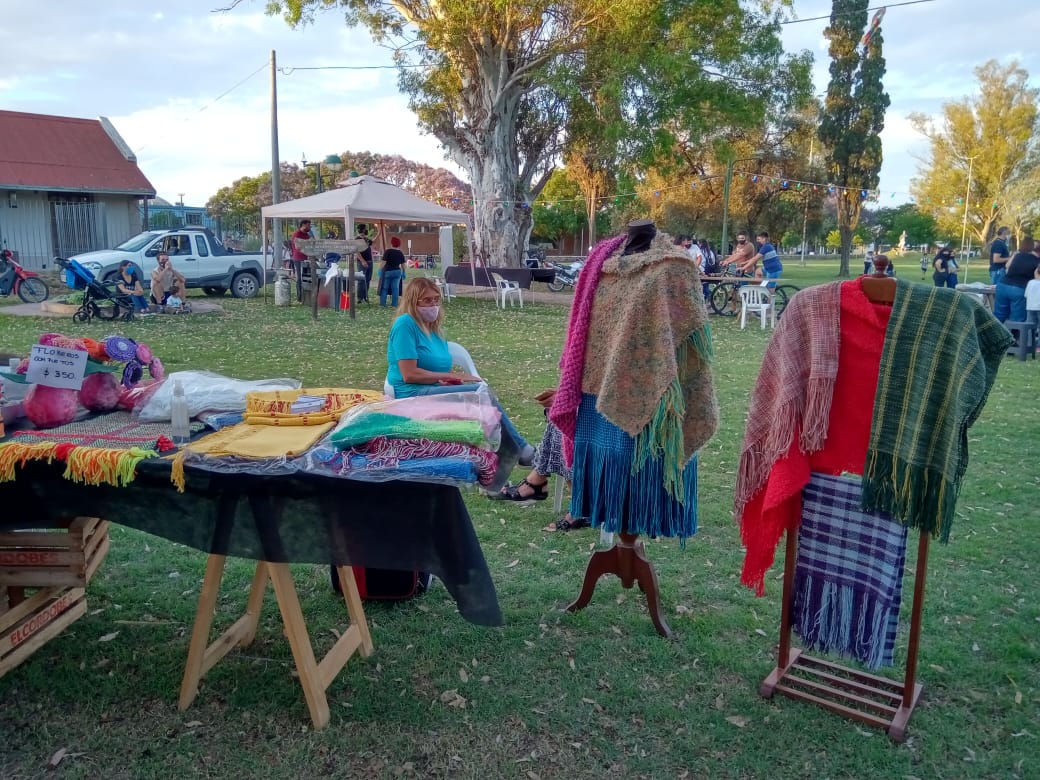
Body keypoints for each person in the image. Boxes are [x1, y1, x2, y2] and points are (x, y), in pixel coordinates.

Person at [386, 277, 534, 464]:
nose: (433, 305)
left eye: (436, 299)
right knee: (481, 394)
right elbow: (409, 375)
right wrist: (450, 375)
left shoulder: (433, 330)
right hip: (410, 394)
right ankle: (519, 449)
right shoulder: (405, 325)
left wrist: (444, 382)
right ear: (413, 301)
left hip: (428, 389)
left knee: (480, 394)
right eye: (427, 300)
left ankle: (503, 455)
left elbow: (431, 369)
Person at [994, 237, 1039, 323]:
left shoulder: (1018, 255)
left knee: (999, 316)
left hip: (1003, 285)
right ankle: (1015, 336)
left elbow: (1007, 266)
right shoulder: (1037, 262)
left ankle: (995, 335)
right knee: (1017, 320)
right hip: (1019, 288)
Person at [379, 236, 407, 307]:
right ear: (399, 244)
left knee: (384, 288)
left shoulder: (387, 251)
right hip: (397, 272)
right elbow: (403, 265)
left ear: (391, 243)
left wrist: (380, 270)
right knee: (395, 288)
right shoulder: (400, 253)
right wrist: (404, 272)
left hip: (388, 272)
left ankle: (383, 304)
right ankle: (394, 304)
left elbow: (383, 263)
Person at [290, 219, 313, 302]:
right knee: (299, 278)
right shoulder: (296, 234)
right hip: (297, 259)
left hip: (306, 260)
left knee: (307, 278)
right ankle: (299, 297)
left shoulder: (307, 235)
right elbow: (297, 247)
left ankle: (307, 295)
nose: (310, 227)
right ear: (303, 225)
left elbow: (311, 245)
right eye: (308, 225)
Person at [355, 224, 374, 303]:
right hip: (362, 262)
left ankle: (365, 296)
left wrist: (379, 233)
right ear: (362, 230)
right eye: (365, 229)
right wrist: (362, 261)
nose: (366, 230)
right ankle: (360, 298)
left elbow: (373, 242)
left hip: (370, 261)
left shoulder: (366, 239)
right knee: (361, 280)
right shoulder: (357, 239)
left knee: (368, 279)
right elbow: (357, 251)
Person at [1025, 263, 1040, 335]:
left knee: (1030, 326)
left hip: (1030, 307)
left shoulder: (1030, 282)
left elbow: (1026, 295)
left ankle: (1029, 342)